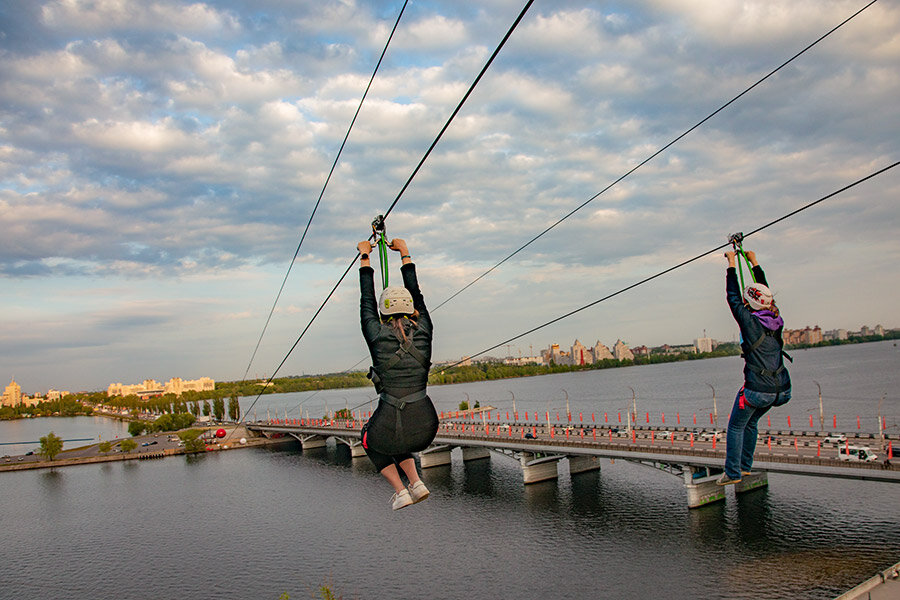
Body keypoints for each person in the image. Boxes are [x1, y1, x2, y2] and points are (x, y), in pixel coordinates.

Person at [357, 237, 439, 509]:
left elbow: (366, 298)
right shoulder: (425, 328)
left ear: (382, 312)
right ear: (411, 309)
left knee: (369, 439)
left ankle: (401, 491)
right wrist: (405, 252)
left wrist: (365, 257)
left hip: (394, 422)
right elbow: (417, 294)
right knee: (396, 433)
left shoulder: (376, 334)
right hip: (426, 426)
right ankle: (416, 482)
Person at [718, 249, 792, 485]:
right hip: (782, 390)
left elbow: (733, 298)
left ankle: (733, 472)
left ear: (750, 304)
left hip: (758, 390)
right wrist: (754, 263)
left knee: (735, 426)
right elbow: (766, 295)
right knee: (750, 422)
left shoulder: (750, 323)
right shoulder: (776, 319)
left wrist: (731, 264)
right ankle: (746, 467)